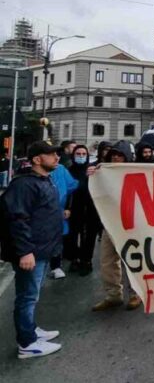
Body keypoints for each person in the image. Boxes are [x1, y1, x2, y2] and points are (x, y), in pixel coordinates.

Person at [1, 141, 64, 359]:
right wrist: (25, 251)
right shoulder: (24, 184)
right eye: (51, 154)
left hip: (42, 249)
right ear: (37, 159)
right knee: (27, 297)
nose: (57, 158)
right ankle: (27, 343)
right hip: (32, 251)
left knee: (32, 295)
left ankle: (31, 329)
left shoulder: (44, 180)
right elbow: (17, 219)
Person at [91, 140, 142, 312]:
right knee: (107, 260)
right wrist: (92, 175)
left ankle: (135, 294)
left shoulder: (136, 172)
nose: (116, 158)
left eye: (120, 155)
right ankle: (113, 295)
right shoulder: (102, 171)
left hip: (131, 224)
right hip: (110, 222)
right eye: (113, 155)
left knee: (132, 261)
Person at [66, 145, 98, 276]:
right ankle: (75, 259)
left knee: (89, 236)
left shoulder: (92, 170)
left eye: (83, 154)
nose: (81, 156)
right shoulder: (68, 171)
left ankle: (87, 261)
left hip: (90, 209)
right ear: (73, 155)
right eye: (78, 154)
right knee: (73, 235)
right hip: (73, 209)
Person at [48, 161, 79, 279]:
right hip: (39, 215)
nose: (55, 158)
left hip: (58, 212)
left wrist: (68, 208)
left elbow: (71, 188)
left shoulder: (61, 170)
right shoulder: (29, 173)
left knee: (57, 239)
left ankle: (55, 266)